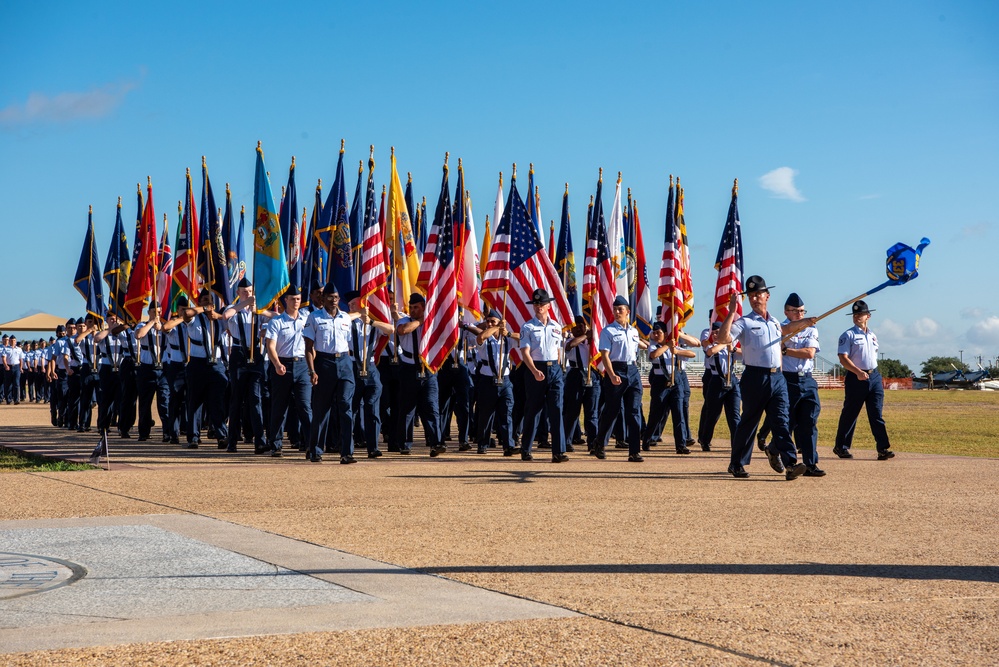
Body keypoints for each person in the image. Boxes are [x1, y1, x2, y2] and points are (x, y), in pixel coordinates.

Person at [716, 276, 815, 480]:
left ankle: (790, 464)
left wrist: (803, 322)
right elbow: (723, 338)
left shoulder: (774, 321)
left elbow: (784, 331)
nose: (754, 298)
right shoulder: (744, 322)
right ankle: (737, 463)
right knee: (749, 421)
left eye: (758, 294)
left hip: (777, 377)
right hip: (755, 377)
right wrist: (732, 311)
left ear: (767, 296)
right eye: (751, 295)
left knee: (782, 420)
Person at [163, 290, 229, 449]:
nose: (209, 302)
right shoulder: (194, 318)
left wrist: (217, 316)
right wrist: (203, 308)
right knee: (195, 401)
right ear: (199, 302)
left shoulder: (219, 319)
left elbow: (228, 319)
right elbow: (186, 314)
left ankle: (221, 435)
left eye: (211, 300)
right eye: (205, 299)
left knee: (217, 401)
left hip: (216, 363)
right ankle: (193, 437)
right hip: (197, 363)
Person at [303, 283, 362, 463]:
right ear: (323, 298)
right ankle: (315, 449)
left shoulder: (345, 317)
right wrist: (312, 370)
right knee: (321, 410)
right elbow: (308, 347)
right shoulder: (314, 317)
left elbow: (351, 344)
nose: (334, 300)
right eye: (330, 297)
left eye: (336, 297)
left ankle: (346, 452)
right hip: (324, 363)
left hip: (344, 363)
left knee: (346, 406)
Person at [834, 300, 895, 461]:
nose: (857, 316)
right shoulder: (848, 335)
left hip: (873, 376)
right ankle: (841, 446)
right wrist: (858, 372)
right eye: (855, 314)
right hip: (856, 377)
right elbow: (843, 358)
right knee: (850, 413)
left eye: (860, 314)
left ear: (868, 316)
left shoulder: (872, 335)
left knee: (876, 414)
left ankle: (883, 448)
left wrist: (870, 373)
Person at [591, 296, 648, 461]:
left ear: (627, 312)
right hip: (616, 369)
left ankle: (634, 451)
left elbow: (638, 348)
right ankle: (599, 442)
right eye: (615, 309)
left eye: (620, 310)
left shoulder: (633, 331)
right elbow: (605, 355)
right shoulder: (608, 331)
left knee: (634, 411)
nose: (617, 312)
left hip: (632, 370)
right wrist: (611, 374)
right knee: (612, 410)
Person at [392, 293, 445, 457]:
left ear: (424, 307)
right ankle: (405, 444)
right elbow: (403, 331)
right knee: (407, 408)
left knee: (431, 407)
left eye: (416, 307)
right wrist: (422, 321)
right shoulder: (404, 320)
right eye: (411, 307)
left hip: (428, 368)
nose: (413, 310)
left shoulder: (432, 323)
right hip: (409, 368)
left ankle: (436, 442)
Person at [518, 289, 568, 463]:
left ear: (548, 305)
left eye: (542, 304)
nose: (539, 307)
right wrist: (533, 370)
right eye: (536, 304)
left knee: (557, 409)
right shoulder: (528, 327)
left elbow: (559, 349)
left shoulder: (556, 326)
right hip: (536, 369)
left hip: (554, 369)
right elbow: (525, 352)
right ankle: (526, 449)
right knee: (533, 410)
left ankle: (558, 451)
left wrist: (559, 368)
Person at [344, 290, 394, 459]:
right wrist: (358, 313)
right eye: (349, 305)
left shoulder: (371, 321)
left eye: (353, 304)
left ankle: (373, 447)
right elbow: (339, 321)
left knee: (372, 409)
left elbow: (390, 329)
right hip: (352, 366)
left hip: (371, 366)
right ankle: (347, 447)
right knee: (351, 409)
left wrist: (371, 321)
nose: (350, 307)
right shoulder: (345, 320)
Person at [264, 285, 312, 457]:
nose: (296, 302)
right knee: (279, 407)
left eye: (298, 299)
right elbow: (270, 346)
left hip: (302, 366)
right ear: (286, 301)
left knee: (305, 407)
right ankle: (276, 445)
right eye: (293, 299)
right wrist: (276, 364)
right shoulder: (276, 322)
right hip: (282, 365)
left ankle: (310, 445)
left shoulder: (306, 319)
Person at [780, 293, 825, 476]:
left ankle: (810, 463)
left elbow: (809, 353)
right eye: (795, 311)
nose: (799, 314)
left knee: (809, 421)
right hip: (787, 379)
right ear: (786, 312)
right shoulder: (780, 329)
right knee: (788, 422)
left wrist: (786, 350)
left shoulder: (811, 329)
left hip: (806, 378)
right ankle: (779, 451)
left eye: (801, 311)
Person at [223, 278, 268, 453]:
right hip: (238, 355)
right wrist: (245, 304)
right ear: (238, 293)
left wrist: (261, 310)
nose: (247, 294)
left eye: (250, 291)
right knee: (236, 400)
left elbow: (273, 320)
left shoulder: (258, 311)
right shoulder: (233, 309)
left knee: (256, 399)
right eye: (244, 291)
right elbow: (226, 316)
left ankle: (260, 441)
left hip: (256, 354)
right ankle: (232, 441)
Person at [641, 322, 696, 454]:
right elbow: (653, 355)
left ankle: (681, 445)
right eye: (654, 333)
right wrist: (667, 346)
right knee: (656, 414)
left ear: (666, 334)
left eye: (658, 332)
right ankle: (647, 439)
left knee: (679, 414)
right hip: (660, 382)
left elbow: (692, 354)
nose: (655, 335)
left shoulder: (674, 347)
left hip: (675, 381)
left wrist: (676, 350)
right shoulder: (654, 345)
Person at [474, 309, 520, 456]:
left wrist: (509, 333)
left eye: (492, 321)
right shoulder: (486, 338)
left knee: (506, 414)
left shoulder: (506, 339)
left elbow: (524, 338)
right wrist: (496, 326)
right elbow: (481, 337)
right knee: (486, 415)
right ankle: (482, 443)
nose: (489, 323)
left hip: (505, 380)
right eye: (488, 321)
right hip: (487, 380)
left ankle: (508, 445)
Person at [697, 322, 742, 452]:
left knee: (734, 415)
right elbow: (710, 352)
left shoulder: (730, 347)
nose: (716, 334)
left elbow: (744, 353)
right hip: (717, 380)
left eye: (719, 332)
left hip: (731, 380)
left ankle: (736, 443)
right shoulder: (711, 345)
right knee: (712, 414)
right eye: (715, 332)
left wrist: (732, 348)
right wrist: (725, 343)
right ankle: (705, 440)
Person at [134, 302, 170, 442]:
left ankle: (167, 432)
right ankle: (143, 432)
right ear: (149, 312)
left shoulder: (165, 326)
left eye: (159, 312)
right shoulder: (141, 325)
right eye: (154, 312)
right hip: (147, 369)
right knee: (145, 402)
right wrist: (151, 323)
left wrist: (160, 326)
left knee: (164, 402)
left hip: (163, 369)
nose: (157, 314)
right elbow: (138, 335)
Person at [563, 316, 599, 453]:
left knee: (592, 413)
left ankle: (593, 444)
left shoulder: (591, 342)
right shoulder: (570, 340)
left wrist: (590, 338)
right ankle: (566, 442)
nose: (579, 328)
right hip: (575, 375)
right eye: (576, 326)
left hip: (592, 376)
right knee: (572, 412)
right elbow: (569, 346)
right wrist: (585, 336)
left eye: (581, 325)